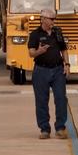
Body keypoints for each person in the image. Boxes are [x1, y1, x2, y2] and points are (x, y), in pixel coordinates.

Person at [27, 8, 69, 139]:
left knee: (61, 98)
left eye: (54, 19)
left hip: (57, 70)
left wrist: (67, 64)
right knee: (41, 100)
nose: (53, 21)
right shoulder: (35, 34)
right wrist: (40, 51)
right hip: (41, 70)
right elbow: (31, 53)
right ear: (43, 19)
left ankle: (60, 127)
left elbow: (64, 49)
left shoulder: (58, 32)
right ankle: (44, 128)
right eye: (51, 19)